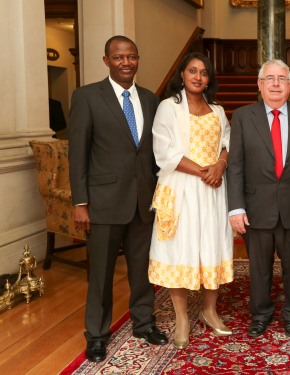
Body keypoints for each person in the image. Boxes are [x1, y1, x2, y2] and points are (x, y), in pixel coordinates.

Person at [69, 35, 168, 363]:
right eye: (118, 57)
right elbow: (78, 154)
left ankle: (143, 323)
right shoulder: (87, 97)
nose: (126, 63)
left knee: (142, 270)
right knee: (101, 273)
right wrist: (80, 202)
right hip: (103, 202)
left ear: (138, 59)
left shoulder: (151, 99)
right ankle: (96, 335)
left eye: (131, 57)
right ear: (106, 60)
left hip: (143, 201)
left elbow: (155, 153)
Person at [148, 52, 233, 350]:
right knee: (179, 249)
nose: (198, 77)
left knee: (213, 245)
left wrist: (220, 166)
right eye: (193, 71)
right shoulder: (168, 109)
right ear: (182, 74)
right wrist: (203, 171)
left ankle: (209, 311)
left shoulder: (219, 110)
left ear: (209, 79)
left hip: (213, 190)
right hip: (182, 187)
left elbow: (227, 143)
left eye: (204, 72)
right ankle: (182, 317)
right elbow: (164, 151)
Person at [227, 59, 290, 338]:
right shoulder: (243, 116)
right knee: (259, 267)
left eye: (281, 79)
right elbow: (236, 164)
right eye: (270, 79)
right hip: (256, 206)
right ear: (260, 85)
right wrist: (236, 207)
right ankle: (261, 314)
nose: (276, 84)